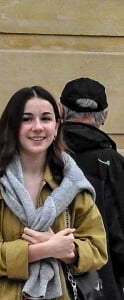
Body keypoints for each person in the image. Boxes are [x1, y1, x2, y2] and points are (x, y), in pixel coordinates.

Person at [0, 86, 107, 300]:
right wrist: (48, 249)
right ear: (12, 126)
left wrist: (70, 251)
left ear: (57, 126)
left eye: (46, 119)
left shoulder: (72, 184)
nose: (37, 127)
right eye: (27, 119)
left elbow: (97, 247)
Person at [60, 77, 124, 299]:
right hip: (105, 284)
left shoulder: (44, 157)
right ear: (104, 116)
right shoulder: (112, 163)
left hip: (52, 281)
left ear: (60, 111)